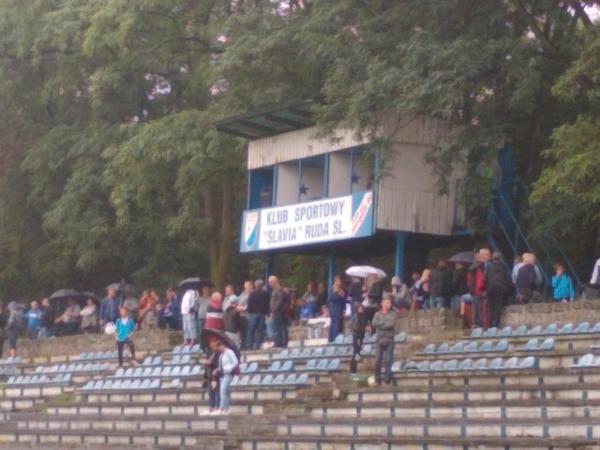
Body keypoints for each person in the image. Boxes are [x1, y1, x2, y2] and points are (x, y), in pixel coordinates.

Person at [372, 294, 397, 385]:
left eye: (390, 302)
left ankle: (387, 379)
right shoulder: (377, 314)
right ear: (382, 303)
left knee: (388, 360)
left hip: (389, 339)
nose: (389, 304)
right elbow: (374, 323)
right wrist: (384, 323)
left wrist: (380, 324)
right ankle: (377, 379)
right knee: (377, 360)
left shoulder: (393, 314)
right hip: (379, 339)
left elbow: (390, 324)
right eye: (387, 302)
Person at [485, 252, 511, 327]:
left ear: (493, 258)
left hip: (490, 288)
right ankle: (496, 324)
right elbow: (508, 279)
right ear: (500, 258)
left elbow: (485, 278)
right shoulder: (504, 267)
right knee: (498, 306)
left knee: (490, 307)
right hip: (500, 288)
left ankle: (489, 325)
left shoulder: (488, 267)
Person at [215, 338, 239, 415]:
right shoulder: (221, 355)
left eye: (219, 347)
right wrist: (217, 369)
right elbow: (221, 365)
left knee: (223, 390)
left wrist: (229, 368)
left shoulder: (229, 352)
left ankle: (222, 408)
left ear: (222, 345)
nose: (218, 350)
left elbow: (235, 362)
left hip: (228, 374)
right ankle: (226, 409)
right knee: (225, 392)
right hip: (222, 374)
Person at [468, 248, 490, 327]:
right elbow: (481, 279)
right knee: (481, 309)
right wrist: (483, 289)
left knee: (475, 308)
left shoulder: (472, 267)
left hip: (473, 291)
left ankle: (475, 323)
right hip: (479, 291)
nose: (488, 257)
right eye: (487, 255)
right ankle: (483, 326)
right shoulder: (481, 266)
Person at [246, 279, 269, 350]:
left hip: (253, 314)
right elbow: (267, 304)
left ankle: (249, 346)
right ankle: (257, 346)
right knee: (259, 331)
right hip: (262, 314)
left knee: (250, 330)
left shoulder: (252, 293)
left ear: (255, 285)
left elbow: (249, 304)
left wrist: (249, 311)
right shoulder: (266, 294)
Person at [203, 337, 221, 414]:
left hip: (216, 375)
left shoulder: (219, 352)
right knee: (210, 392)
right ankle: (211, 407)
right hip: (209, 375)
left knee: (217, 392)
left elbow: (218, 363)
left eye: (212, 342)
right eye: (210, 342)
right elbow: (207, 362)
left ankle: (217, 406)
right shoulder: (209, 352)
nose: (211, 344)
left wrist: (211, 363)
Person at [268, 276, 287, 348]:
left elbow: (279, 301)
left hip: (277, 311)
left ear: (275, 281)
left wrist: (273, 311)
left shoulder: (278, 289)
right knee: (276, 327)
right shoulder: (275, 289)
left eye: (270, 282)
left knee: (277, 327)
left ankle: (279, 342)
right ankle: (278, 341)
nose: (269, 284)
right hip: (275, 311)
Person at [350, 302, 368, 374]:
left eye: (361, 308)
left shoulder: (364, 316)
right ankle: (353, 370)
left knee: (358, 353)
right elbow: (355, 327)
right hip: (356, 336)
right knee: (356, 352)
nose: (360, 309)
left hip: (361, 336)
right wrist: (363, 328)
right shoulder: (355, 316)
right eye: (359, 308)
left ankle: (354, 369)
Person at [327, 276, 346, 342]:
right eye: (338, 280)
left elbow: (343, 300)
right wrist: (338, 294)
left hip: (339, 309)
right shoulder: (333, 289)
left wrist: (344, 309)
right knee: (334, 325)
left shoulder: (341, 290)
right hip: (334, 309)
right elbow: (332, 299)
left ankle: (336, 338)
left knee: (338, 325)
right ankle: (332, 339)